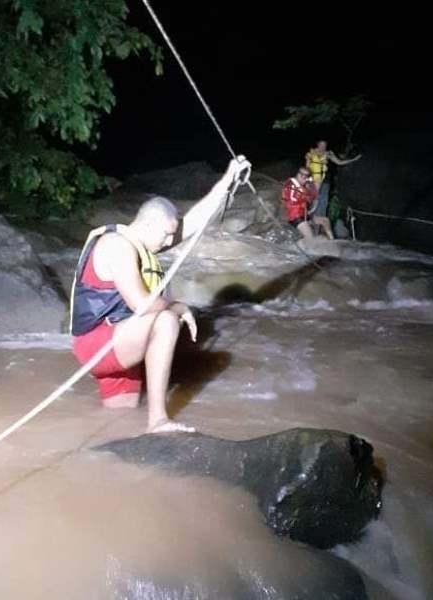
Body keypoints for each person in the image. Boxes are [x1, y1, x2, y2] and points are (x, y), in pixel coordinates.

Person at [69, 156, 251, 433]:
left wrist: (227, 180)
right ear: (149, 224)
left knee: (117, 421)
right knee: (165, 320)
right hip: (98, 344)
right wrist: (178, 306)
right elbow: (142, 305)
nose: (170, 243)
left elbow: (191, 223)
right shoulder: (117, 245)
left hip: (122, 340)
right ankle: (158, 420)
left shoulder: (145, 242)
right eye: (166, 236)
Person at [305, 140, 362, 220]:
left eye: (325, 145)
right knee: (312, 197)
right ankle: (308, 216)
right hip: (312, 178)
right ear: (317, 145)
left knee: (320, 201)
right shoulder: (311, 153)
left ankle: (316, 219)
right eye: (321, 145)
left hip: (323, 179)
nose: (323, 147)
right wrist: (307, 179)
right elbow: (307, 167)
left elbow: (339, 162)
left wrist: (353, 159)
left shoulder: (328, 154)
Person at [281, 166, 334, 239]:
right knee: (311, 238)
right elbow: (292, 199)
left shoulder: (304, 186)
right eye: (301, 174)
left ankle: (332, 241)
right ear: (297, 174)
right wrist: (304, 196)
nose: (303, 177)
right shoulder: (291, 185)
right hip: (295, 217)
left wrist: (309, 189)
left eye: (305, 175)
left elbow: (312, 196)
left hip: (304, 215)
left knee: (325, 221)